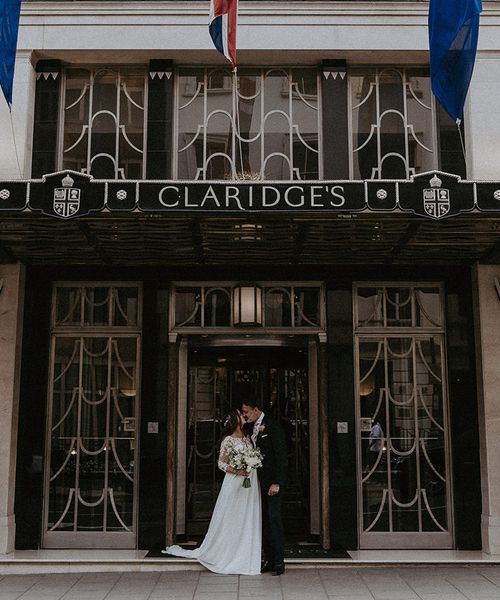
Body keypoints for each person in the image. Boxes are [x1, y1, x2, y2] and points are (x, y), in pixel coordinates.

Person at [161, 409, 261, 575]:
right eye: (240, 415)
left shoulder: (247, 436)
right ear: (234, 420)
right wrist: (238, 470)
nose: (243, 416)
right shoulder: (228, 440)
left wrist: (251, 465)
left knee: (246, 517)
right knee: (231, 516)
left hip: (249, 483)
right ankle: (225, 552)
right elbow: (221, 464)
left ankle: (245, 551)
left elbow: (253, 455)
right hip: (235, 482)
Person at [241, 400, 287, 577]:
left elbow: (281, 456)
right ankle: (267, 558)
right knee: (264, 521)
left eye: (247, 411)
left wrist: (278, 482)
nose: (245, 415)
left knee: (273, 518)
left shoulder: (273, 427)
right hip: (257, 483)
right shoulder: (250, 428)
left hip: (272, 483)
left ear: (256, 409)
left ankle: (279, 560)